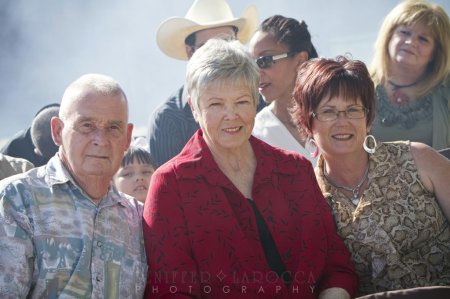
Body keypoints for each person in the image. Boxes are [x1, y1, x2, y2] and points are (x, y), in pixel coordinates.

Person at [143, 39, 358, 299]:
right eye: (216, 104)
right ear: (195, 108)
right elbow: (171, 291)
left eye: (242, 102)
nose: (231, 115)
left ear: (256, 101)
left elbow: (336, 266)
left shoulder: (295, 170)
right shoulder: (170, 184)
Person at [290, 56, 450, 295]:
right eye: (329, 111)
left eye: (352, 109)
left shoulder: (418, 158)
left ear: (368, 118)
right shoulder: (310, 198)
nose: (342, 122)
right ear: (307, 124)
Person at [0, 74, 147, 298]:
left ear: (127, 138)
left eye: (113, 128)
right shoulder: (16, 199)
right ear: (58, 131)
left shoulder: (138, 217)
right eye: (86, 125)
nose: (100, 139)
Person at [147, 0, 262, 168]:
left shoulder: (260, 98)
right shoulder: (166, 120)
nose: (219, 53)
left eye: (227, 42)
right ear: (190, 51)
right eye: (208, 46)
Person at [370, 0, 450, 150]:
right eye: (405, 32)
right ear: (389, 36)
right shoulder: (358, 85)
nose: (411, 42)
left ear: (435, 53)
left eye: (423, 39)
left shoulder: (446, 92)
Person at [249, 15, 318, 164]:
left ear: (300, 60)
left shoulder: (336, 116)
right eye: (251, 64)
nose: (256, 72)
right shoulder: (254, 134)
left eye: (265, 60)